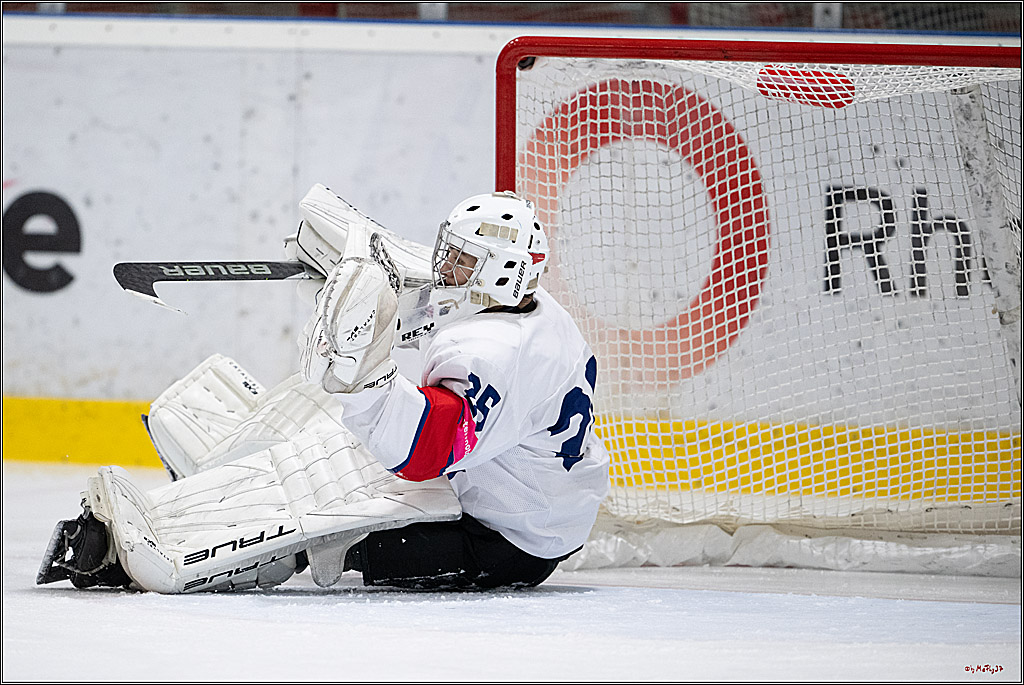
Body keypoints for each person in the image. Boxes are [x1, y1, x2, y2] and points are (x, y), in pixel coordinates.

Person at [37, 188, 609, 593]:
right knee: (320, 422)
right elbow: (441, 315)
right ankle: (227, 478)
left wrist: (364, 376)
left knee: (323, 533)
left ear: (500, 271)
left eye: (460, 261)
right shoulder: (533, 312)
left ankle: (144, 553)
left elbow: (424, 452)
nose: (445, 267)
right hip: (518, 488)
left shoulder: (496, 356)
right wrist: (374, 282)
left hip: (508, 538)